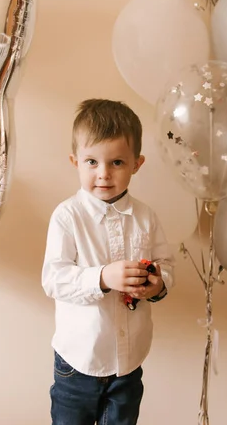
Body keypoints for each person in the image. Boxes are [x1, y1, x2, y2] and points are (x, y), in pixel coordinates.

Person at [42, 99, 175, 425]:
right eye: (91, 161)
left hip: (128, 363)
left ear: (136, 164)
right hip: (78, 364)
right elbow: (54, 279)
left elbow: (165, 264)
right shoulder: (67, 216)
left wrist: (158, 283)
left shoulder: (146, 217)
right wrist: (102, 277)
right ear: (75, 161)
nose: (103, 174)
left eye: (116, 162)